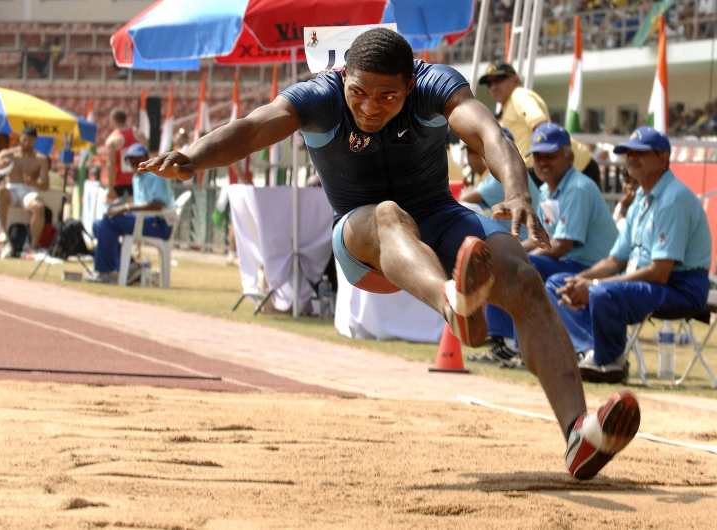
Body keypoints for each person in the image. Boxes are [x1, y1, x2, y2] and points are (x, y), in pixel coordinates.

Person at [141, 28, 640, 480]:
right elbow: (254, 127)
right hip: (364, 239)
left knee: (522, 276)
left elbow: (489, 131)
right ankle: (453, 303)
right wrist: (194, 154)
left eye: (387, 96)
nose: (370, 107)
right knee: (387, 214)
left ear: (410, 83)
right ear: (344, 80)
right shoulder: (318, 96)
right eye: (358, 92)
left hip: (440, 218)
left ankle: (578, 433)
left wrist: (516, 191)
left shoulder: (434, 85)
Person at [548, 127, 712, 383]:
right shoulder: (640, 200)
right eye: (628, 152)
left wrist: (593, 284)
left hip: (681, 288)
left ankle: (610, 361)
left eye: (640, 152)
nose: (632, 158)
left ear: (663, 158)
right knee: (558, 283)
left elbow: (659, 273)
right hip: (648, 284)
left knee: (600, 292)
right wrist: (580, 279)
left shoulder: (673, 198)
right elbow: (615, 260)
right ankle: (590, 350)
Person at [485, 123, 618, 364]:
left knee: (517, 266)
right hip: (565, 262)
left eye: (550, 155)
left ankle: (518, 346)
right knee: (503, 261)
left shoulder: (579, 188)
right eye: (538, 156)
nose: (543, 162)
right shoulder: (547, 190)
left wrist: (514, 253)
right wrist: (509, 250)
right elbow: (542, 239)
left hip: (588, 267)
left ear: (569, 155)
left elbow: (561, 245)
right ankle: (505, 342)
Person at [478, 63, 602, 190]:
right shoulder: (506, 108)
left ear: (515, 79)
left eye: (498, 80)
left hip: (574, 168)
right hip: (550, 170)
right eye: (489, 84)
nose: (493, 87)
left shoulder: (519, 95)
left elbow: (541, 127)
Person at [89, 144, 174, 284]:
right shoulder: (136, 178)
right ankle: (128, 265)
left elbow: (158, 205)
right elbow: (140, 205)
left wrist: (125, 208)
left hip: (160, 224)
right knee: (98, 225)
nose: (134, 163)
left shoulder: (156, 175)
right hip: (144, 221)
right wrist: (120, 208)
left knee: (107, 223)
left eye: (137, 159)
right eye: (131, 160)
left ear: (147, 158)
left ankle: (106, 272)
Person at [0, 128, 49, 254]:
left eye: (30, 141)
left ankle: (33, 247)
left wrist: (33, 182)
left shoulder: (41, 159)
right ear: (20, 139)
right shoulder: (9, 154)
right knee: (1, 192)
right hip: (12, 188)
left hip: (28, 190)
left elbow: (45, 185)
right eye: (24, 140)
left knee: (39, 207)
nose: (26, 143)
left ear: (35, 141)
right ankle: (4, 236)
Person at [104, 109, 147, 200]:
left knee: (117, 211)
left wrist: (110, 188)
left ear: (113, 120)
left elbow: (111, 165)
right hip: (138, 179)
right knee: (138, 211)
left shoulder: (112, 140)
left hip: (120, 183)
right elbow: (147, 156)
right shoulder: (139, 134)